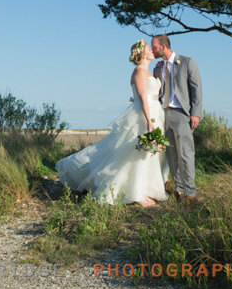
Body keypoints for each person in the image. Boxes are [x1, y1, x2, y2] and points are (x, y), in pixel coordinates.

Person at [55, 40, 169, 206]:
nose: (152, 50)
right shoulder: (138, 71)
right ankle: (136, 193)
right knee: (135, 153)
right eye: (148, 48)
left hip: (155, 113)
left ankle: (145, 189)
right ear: (142, 53)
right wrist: (149, 121)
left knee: (148, 153)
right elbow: (143, 98)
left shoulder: (149, 71)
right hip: (144, 115)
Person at [150, 34, 202, 204]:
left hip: (182, 114)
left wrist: (196, 113)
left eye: (154, 47)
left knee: (186, 153)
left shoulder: (187, 62)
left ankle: (191, 190)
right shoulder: (158, 67)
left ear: (163, 47)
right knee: (171, 154)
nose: (152, 50)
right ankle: (179, 188)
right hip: (163, 114)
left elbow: (197, 89)